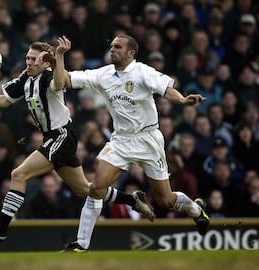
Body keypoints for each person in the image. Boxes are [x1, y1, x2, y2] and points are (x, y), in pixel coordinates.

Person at [0, 37, 154, 243]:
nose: (30, 62)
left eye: (35, 59)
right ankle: (132, 200)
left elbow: (60, 83)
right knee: (85, 190)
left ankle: (1, 228)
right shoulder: (26, 78)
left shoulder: (48, 77)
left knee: (19, 174)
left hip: (61, 136)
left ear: (45, 63)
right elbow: (5, 100)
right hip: (55, 138)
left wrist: (59, 56)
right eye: (28, 58)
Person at [51, 35, 210, 251]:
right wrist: (59, 56)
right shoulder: (103, 74)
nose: (112, 49)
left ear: (131, 53)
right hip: (121, 140)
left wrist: (182, 100)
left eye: (118, 47)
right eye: (111, 46)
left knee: (165, 200)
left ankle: (196, 211)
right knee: (97, 188)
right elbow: (64, 80)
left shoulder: (143, 72)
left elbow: (166, 90)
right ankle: (81, 244)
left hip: (148, 140)